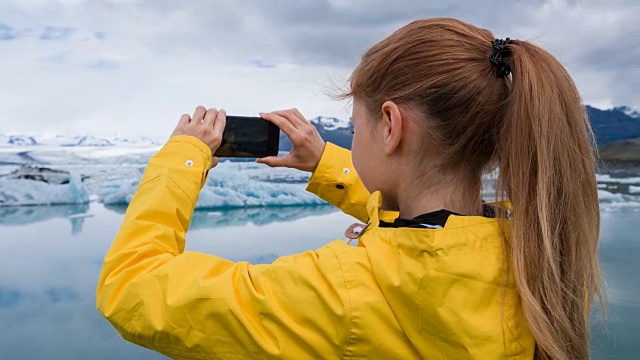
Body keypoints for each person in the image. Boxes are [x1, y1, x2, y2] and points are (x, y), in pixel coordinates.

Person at [96, 18, 604, 360]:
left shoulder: (337, 293)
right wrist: (325, 164)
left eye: (353, 125)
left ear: (390, 125)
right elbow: (436, 236)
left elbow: (131, 289)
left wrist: (182, 158)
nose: (350, 136)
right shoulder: (540, 250)